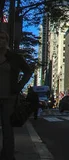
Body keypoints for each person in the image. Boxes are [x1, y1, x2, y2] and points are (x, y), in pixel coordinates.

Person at [0, 30, 33, 160]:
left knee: (7, 129)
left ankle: (7, 156)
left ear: (6, 40)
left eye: (3, 38)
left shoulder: (14, 57)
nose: (0, 40)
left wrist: (19, 87)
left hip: (9, 97)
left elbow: (28, 72)